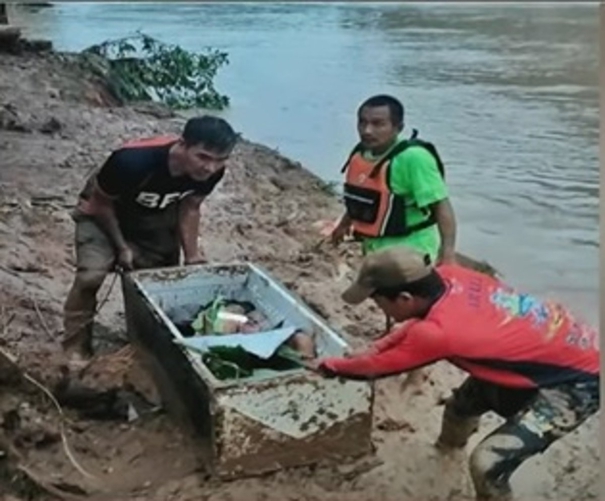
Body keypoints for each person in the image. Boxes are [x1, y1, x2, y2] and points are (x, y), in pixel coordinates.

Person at [306, 247, 599, 501]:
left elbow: (374, 370)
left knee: (487, 463)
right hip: (541, 351)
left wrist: (328, 365)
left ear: (405, 297)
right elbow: (418, 324)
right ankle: (445, 456)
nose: (376, 306)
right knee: (459, 409)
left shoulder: (439, 334)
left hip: (580, 381)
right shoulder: (449, 276)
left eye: (377, 301)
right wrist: (376, 346)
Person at [62, 115, 238, 362]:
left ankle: (145, 341)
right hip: (105, 212)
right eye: (203, 157)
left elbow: (190, 207)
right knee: (90, 276)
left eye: (220, 160)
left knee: (160, 282)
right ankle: (75, 347)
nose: (209, 168)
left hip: (155, 214)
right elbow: (100, 204)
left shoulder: (211, 173)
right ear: (183, 144)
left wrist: (192, 256)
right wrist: (122, 247)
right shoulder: (132, 161)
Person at [330, 94, 457, 265]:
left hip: (412, 249)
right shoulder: (360, 156)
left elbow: (441, 205)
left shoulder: (414, 158)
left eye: (378, 124)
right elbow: (360, 198)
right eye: (362, 122)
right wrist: (343, 225)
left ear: (398, 127)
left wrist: (448, 254)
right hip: (375, 248)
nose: (367, 130)